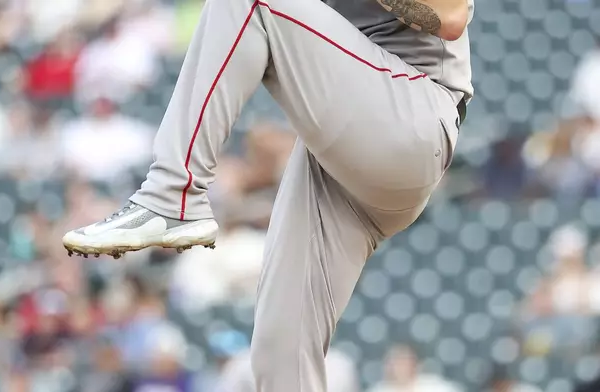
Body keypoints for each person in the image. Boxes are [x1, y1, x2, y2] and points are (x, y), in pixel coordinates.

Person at [63, 0, 474, 390]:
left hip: (414, 113)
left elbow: (451, 15)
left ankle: (172, 192)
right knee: (280, 356)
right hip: (347, 156)